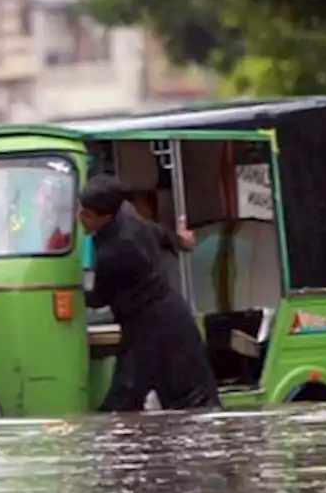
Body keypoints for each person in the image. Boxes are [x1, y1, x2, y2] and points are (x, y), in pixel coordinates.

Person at [77, 174, 220, 411]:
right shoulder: (127, 214)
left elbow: (99, 298)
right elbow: (158, 232)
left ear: (105, 216)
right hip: (163, 319)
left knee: (192, 402)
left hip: (155, 327)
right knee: (152, 401)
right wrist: (181, 241)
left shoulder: (116, 251)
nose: (79, 218)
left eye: (86, 215)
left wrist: (70, 290)